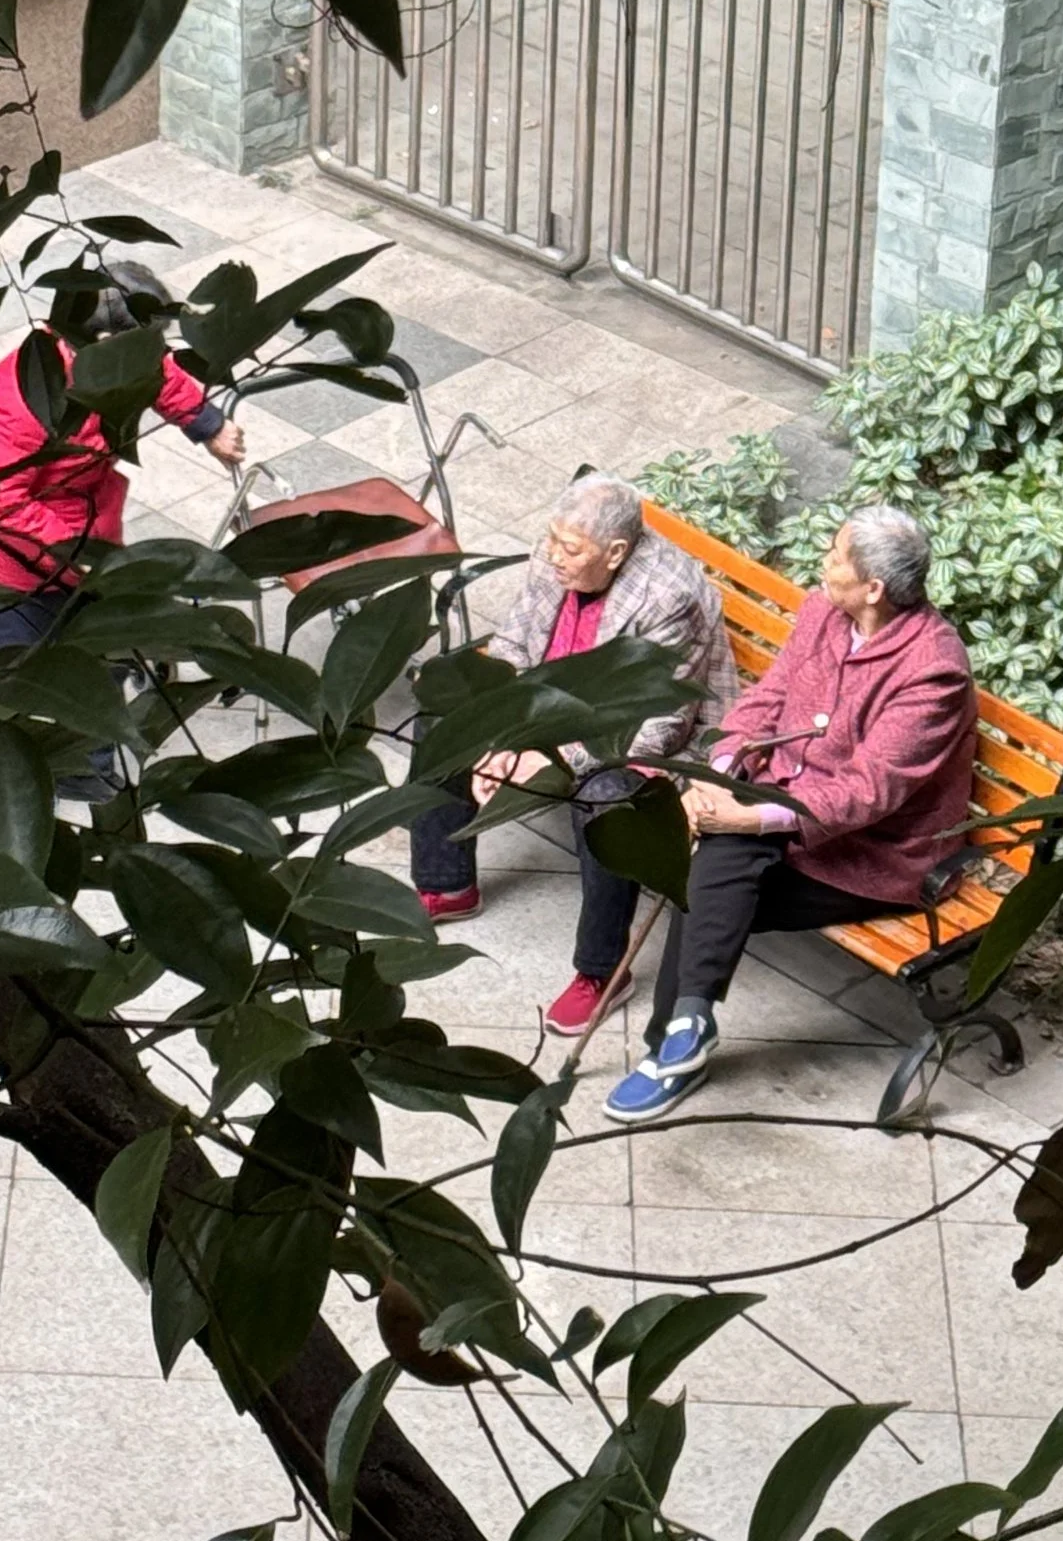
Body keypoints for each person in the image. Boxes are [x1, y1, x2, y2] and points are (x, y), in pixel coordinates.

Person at [604, 503, 976, 1126]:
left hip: (870, 857)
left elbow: (869, 792)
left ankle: (673, 1046)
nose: (822, 565)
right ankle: (685, 1032)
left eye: (834, 557)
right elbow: (769, 697)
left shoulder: (932, 671)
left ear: (874, 588)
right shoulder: (823, 612)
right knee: (716, 862)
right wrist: (718, 773)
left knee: (711, 871)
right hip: (786, 820)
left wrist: (748, 818)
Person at [409, 473, 736, 1037]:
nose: (555, 557)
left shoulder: (668, 597)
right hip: (552, 706)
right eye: (553, 540)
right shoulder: (560, 550)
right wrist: (499, 734)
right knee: (441, 722)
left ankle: (602, 970)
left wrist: (549, 758)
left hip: (635, 733)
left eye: (571, 550)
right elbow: (512, 646)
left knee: (609, 799)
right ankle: (448, 882)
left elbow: (655, 726)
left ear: (615, 552)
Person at [0, 261, 246, 660]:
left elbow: (157, 370)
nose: (151, 358)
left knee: (107, 655)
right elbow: (1, 502)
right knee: (25, 671)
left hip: (90, 530)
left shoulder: (106, 355)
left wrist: (206, 422)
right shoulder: (22, 399)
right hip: (19, 569)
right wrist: (76, 557)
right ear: (106, 343)